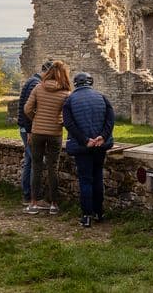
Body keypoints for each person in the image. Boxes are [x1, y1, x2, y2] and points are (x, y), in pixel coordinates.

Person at [62, 72, 114, 228]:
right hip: (100, 146)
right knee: (97, 177)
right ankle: (99, 212)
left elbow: (69, 124)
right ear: (90, 82)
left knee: (85, 180)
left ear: (76, 84)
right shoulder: (102, 97)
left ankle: (86, 216)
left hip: (82, 147)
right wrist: (102, 137)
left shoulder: (69, 101)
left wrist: (85, 141)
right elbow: (110, 119)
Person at [23, 60, 71, 215]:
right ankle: (53, 204)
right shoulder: (65, 93)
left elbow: (27, 108)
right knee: (53, 168)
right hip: (55, 133)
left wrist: (36, 119)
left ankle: (34, 203)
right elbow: (68, 116)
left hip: (37, 132)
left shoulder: (38, 87)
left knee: (36, 167)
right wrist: (59, 122)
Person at [18, 59, 53, 206]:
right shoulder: (35, 84)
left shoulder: (32, 80)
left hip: (25, 129)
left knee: (29, 161)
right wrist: (31, 131)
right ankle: (35, 199)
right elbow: (28, 110)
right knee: (36, 163)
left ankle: (27, 196)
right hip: (29, 130)